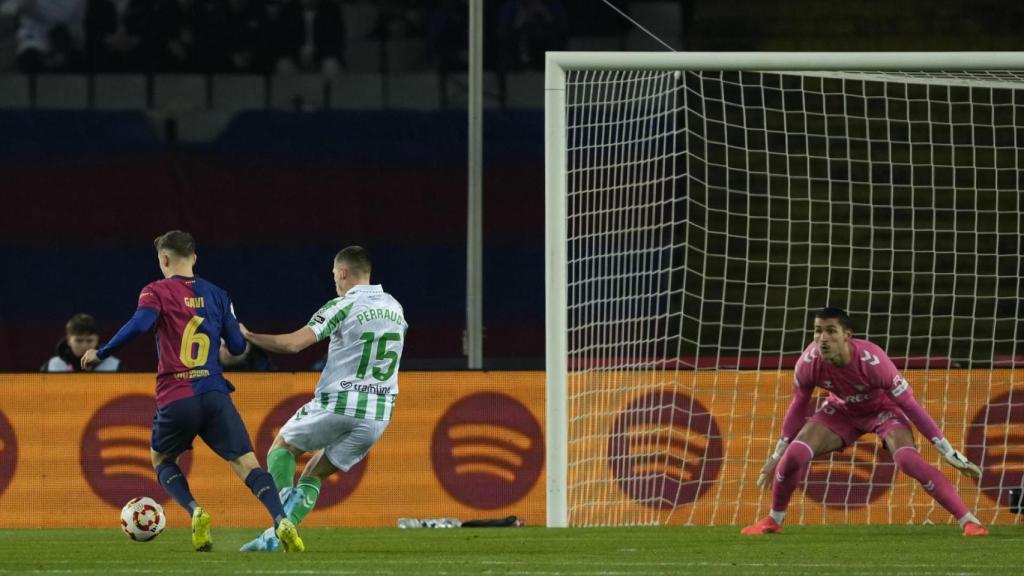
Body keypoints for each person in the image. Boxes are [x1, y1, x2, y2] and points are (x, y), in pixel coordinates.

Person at [81, 230, 304, 552]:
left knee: (162, 459)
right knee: (248, 465)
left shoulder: (155, 291)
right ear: (194, 258)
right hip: (214, 394)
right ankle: (281, 519)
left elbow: (141, 325)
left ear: (165, 259)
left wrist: (101, 352)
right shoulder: (218, 295)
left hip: (177, 395)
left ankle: (195, 510)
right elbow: (239, 346)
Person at [742, 307, 988, 537]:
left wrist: (947, 451)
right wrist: (777, 454)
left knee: (906, 460)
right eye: (818, 331)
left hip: (883, 410)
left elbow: (911, 407)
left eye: (831, 331)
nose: (823, 338)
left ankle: (969, 521)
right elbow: (798, 406)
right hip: (842, 411)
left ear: (847, 335)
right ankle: (774, 520)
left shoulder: (874, 362)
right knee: (793, 455)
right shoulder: (808, 363)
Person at [238, 246, 407, 552]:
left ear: (342, 272)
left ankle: (281, 514)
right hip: (379, 413)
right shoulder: (395, 307)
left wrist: (250, 337)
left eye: (334, 275)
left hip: (340, 401)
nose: (334, 281)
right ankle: (271, 540)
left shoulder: (343, 304)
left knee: (283, 447)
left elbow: (293, 345)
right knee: (315, 473)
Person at [42, 313, 120, 372]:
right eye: (78, 340)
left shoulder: (115, 366)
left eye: (89, 340)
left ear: (97, 340)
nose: (84, 346)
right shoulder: (51, 367)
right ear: (69, 340)